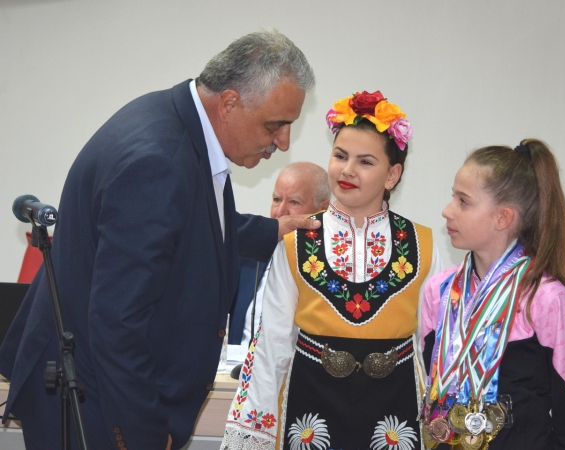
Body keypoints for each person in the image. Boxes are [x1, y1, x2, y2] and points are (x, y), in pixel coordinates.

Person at [0, 29, 319, 450]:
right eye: (276, 125)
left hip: (102, 392)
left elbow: (186, 221)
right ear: (229, 103)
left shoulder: (175, 121)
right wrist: (144, 435)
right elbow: (117, 323)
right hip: (94, 406)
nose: (283, 141)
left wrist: (272, 230)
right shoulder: (158, 162)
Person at [221, 91, 442, 449]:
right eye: (340, 156)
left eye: (365, 161)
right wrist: (254, 433)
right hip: (310, 411)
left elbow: (436, 348)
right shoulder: (296, 241)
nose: (348, 169)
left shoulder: (423, 245)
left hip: (394, 413)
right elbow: (271, 343)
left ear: (392, 174)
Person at [420, 140, 565, 449]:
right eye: (453, 197)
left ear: (503, 218)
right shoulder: (439, 291)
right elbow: (426, 382)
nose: (447, 211)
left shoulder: (549, 300)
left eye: (463, 201)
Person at [228, 162, 330, 346]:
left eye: (294, 202)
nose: (280, 212)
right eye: (276, 199)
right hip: (237, 361)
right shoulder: (249, 253)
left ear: (323, 209)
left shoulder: (329, 267)